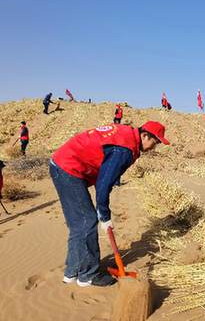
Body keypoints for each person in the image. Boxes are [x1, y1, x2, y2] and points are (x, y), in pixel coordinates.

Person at [50, 121, 170, 287]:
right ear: (144, 135)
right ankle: (87, 276)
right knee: (88, 221)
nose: (153, 147)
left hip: (62, 163)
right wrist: (104, 215)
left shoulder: (126, 135)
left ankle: (72, 272)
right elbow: (103, 184)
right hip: (69, 168)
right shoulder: (124, 149)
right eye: (154, 143)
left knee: (78, 223)